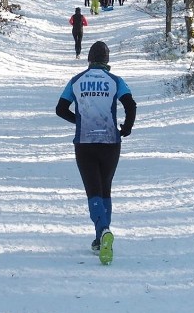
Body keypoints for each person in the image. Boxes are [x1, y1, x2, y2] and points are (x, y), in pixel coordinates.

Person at [55, 41, 137, 264]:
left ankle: (103, 231)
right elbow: (130, 105)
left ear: (89, 59)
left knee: (93, 190)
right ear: (107, 60)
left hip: (85, 141)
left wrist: (79, 120)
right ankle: (101, 238)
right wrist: (126, 127)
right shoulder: (116, 81)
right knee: (105, 189)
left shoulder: (77, 80)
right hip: (111, 141)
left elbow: (60, 109)